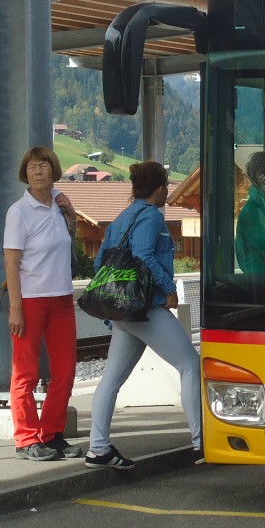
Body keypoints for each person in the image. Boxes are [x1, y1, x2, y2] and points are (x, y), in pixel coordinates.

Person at [85, 161, 201, 469]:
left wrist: (115, 307)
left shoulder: (121, 218)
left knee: (111, 379)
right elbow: (144, 255)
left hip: (124, 312)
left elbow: (100, 265)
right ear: (161, 189)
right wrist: (167, 290)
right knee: (190, 363)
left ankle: (98, 448)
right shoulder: (150, 216)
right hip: (146, 309)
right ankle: (201, 441)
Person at [3, 146, 81, 462]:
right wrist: (16, 307)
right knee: (26, 372)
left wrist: (72, 216)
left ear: (53, 170)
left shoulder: (60, 206)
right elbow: (11, 263)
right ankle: (25, 439)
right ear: (25, 173)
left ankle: (51, 434)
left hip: (62, 299)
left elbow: (67, 247)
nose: (37, 171)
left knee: (65, 370)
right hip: (31, 301)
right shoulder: (18, 212)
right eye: (32, 167)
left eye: (43, 165)